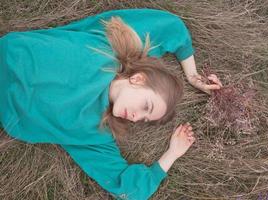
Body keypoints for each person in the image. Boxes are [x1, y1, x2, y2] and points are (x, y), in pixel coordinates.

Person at [0, 8, 222, 200]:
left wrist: (171, 155)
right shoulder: (108, 46)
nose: (136, 117)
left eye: (144, 119)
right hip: (9, 54)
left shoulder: (98, 134)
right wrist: (192, 75)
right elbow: (172, 28)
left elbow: (129, 190)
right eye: (146, 106)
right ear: (138, 79)